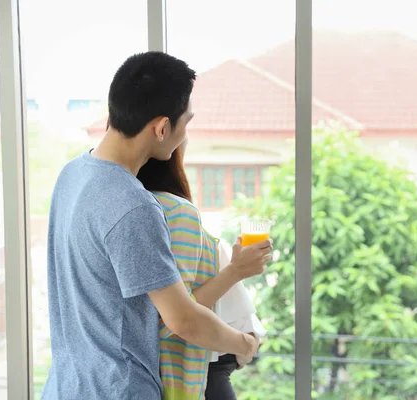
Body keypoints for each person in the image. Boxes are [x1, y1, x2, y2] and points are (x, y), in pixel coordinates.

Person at [41, 52, 271, 400]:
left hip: (65, 387)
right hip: (120, 391)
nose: (185, 134)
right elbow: (183, 320)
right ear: (162, 128)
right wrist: (243, 342)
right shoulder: (133, 205)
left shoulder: (71, 174)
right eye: (186, 123)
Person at [137, 147, 270, 400]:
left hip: (206, 366)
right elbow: (177, 318)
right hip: (200, 371)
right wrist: (244, 343)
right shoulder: (176, 212)